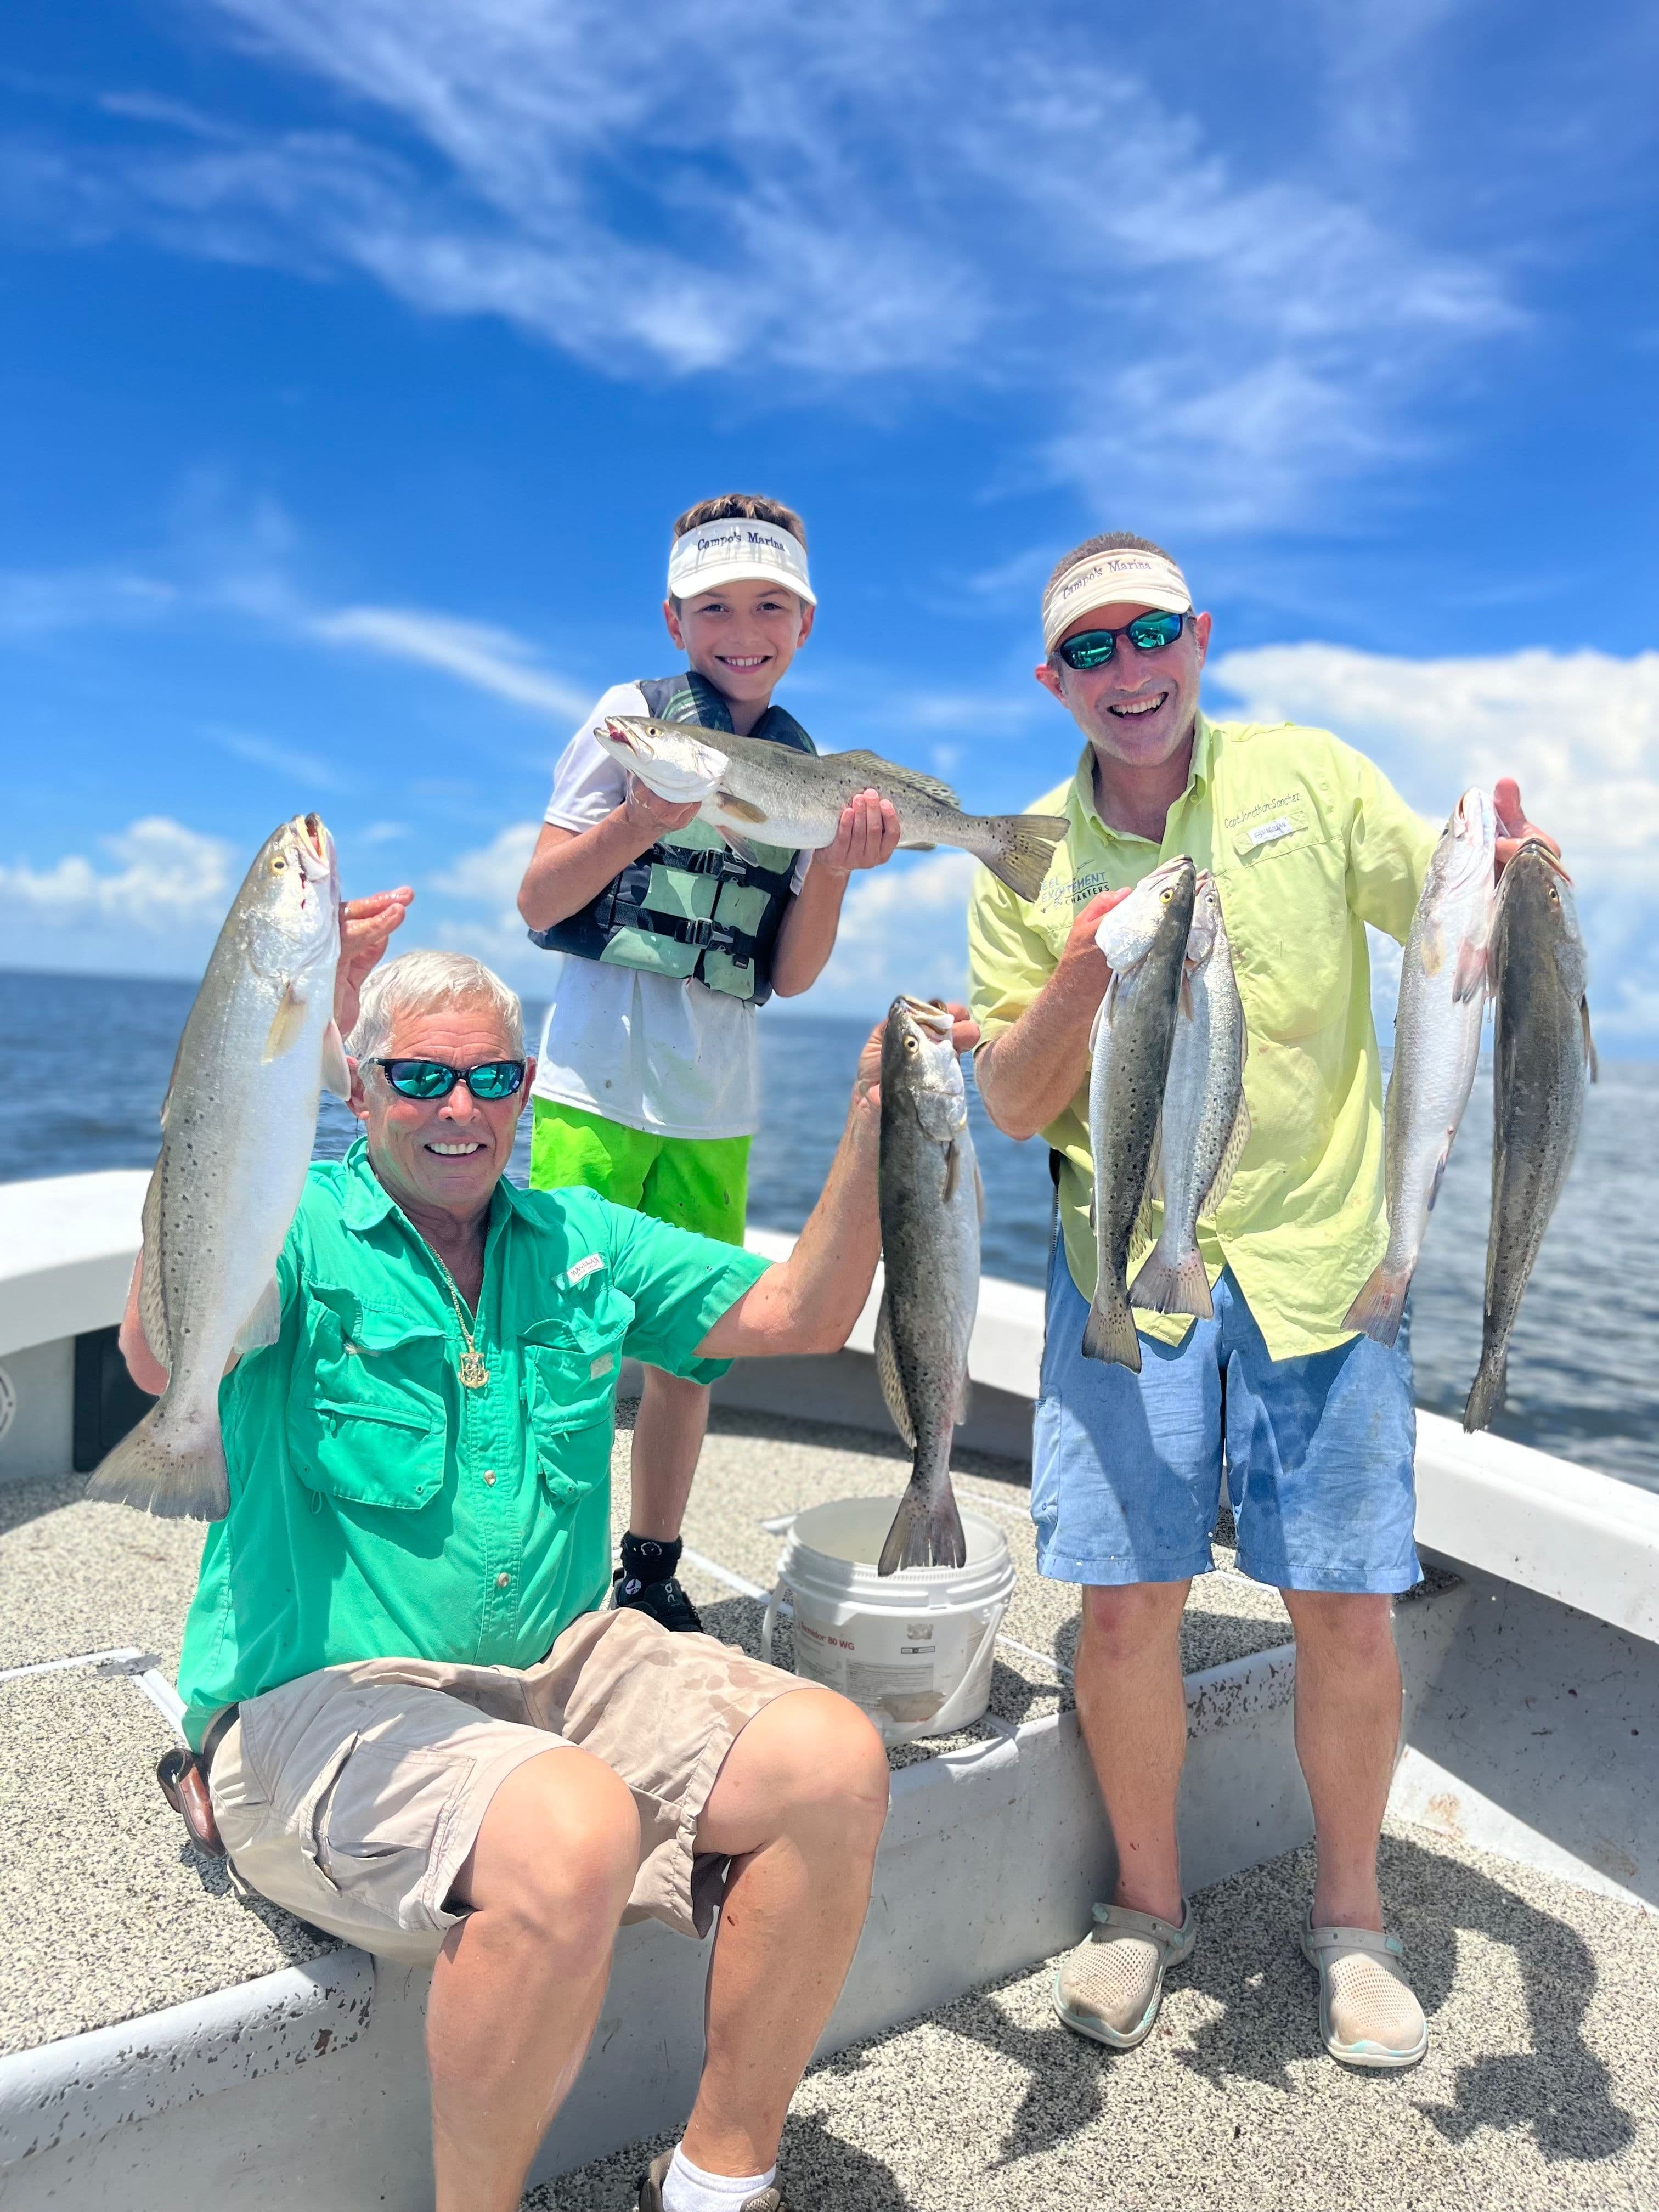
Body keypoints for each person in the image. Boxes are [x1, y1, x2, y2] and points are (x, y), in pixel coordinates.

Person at [122, 932, 978, 2212]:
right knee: (571, 1828)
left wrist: (872, 1120)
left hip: (558, 1669)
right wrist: (253, 1050)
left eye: (491, 1078)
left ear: (529, 1091)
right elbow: (154, 1351)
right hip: (322, 1697)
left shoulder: (580, 1236)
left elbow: (803, 1311)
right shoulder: (291, 1230)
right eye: (418, 1079)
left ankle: (714, 2183)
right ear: (354, 1089)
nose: (458, 1110)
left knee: (832, 1761)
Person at [969, 532, 1558, 2071]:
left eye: (1149, 634)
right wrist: (1090, 977)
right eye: (1088, 651)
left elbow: (1447, 939)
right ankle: (1143, 1912)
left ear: (1200, 636)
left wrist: (1511, 884)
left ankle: (1352, 1926)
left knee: (1347, 1609)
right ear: (1053, 681)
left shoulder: (1310, 774)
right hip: (1128, 1275)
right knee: (1123, 1606)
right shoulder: (1024, 850)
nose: (1126, 672)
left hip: (1323, 1262)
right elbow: (1017, 1107)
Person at [516, 492, 900, 1636]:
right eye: (717, 606)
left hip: (716, 1108)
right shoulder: (628, 717)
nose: (745, 628)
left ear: (806, 623)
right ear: (675, 619)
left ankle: (650, 1563)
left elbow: (788, 975)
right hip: (591, 1087)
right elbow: (540, 903)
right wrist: (640, 819)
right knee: (569, 1339)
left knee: (694, 1354)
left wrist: (832, 865)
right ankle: (549, 1574)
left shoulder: (802, 765)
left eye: (770, 605)